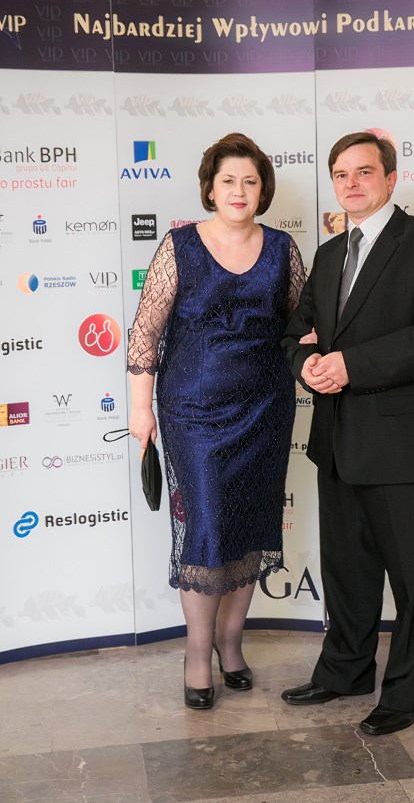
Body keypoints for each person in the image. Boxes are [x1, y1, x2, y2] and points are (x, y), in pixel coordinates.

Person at [281, 131, 414, 735]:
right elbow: (297, 331)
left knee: (411, 576)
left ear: (390, 178)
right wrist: (306, 364)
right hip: (336, 436)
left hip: (398, 440)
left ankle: (407, 694)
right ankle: (345, 671)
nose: (351, 183)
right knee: (345, 567)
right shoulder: (330, 253)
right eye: (340, 174)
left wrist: (350, 365)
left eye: (363, 171)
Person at [127, 132, 305, 710]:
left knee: (250, 526)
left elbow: (302, 326)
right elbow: (145, 332)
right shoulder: (180, 245)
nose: (239, 190)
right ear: (210, 188)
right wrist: (140, 408)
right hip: (193, 412)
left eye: (250, 181)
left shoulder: (282, 248)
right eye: (228, 180)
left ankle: (232, 642)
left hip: (266, 410)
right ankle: (198, 654)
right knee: (205, 530)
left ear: (263, 190)